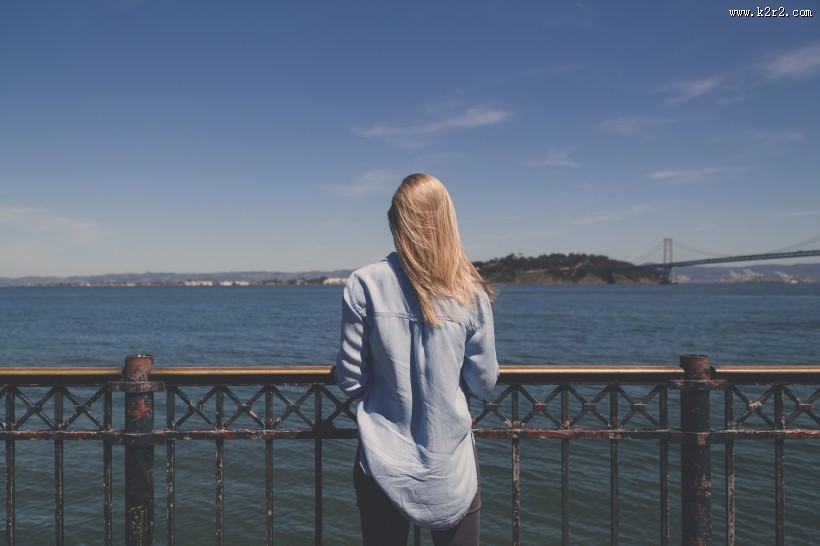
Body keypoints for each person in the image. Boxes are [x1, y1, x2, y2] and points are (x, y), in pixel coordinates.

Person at [335, 173, 498, 545]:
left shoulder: (364, 284)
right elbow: (483, 384)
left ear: (396, 223)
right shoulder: (470, 292)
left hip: (381, 464)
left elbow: (350, 382)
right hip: (450, 470)